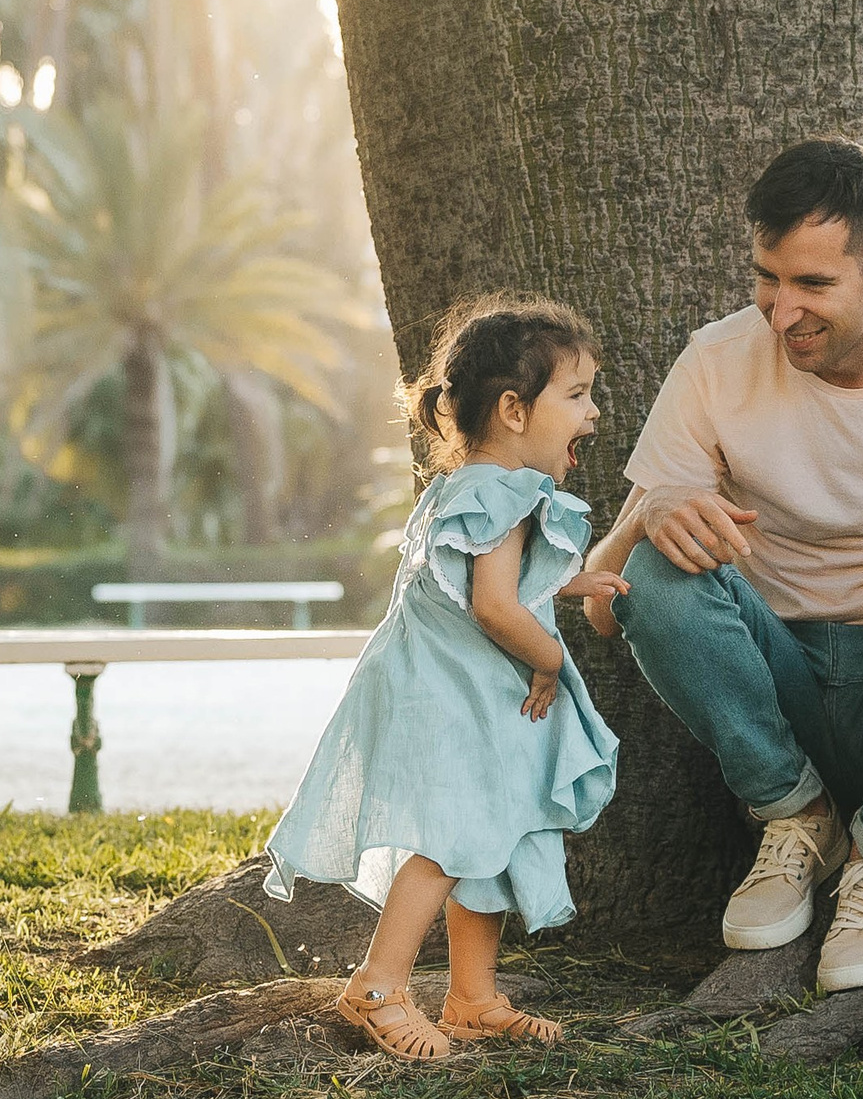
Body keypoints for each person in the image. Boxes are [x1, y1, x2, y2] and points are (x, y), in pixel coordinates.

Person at [586, 137, 863, 992]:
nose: (781, 313)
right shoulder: (717, 358)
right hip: (778, 690)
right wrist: (655, 513)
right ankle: (797, 818)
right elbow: (608, 601)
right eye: (767, 278)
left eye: (813, 285)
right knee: (660, 572)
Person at [265, 298, 630, 1060]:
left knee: (481, 836)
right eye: (578, 394)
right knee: (441, 843)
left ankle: (472, 996)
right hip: (451, 692)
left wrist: (572, 586)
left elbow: (485, 582)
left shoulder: (464, 487)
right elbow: (495, 605)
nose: (593, 414)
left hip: (438, 685)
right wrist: (551, 660)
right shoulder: (505, 494)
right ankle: (376, 986)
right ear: (513, 409)